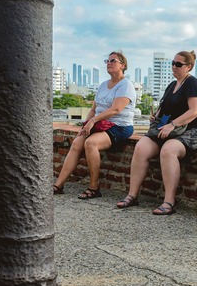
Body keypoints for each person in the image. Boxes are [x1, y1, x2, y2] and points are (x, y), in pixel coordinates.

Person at [116, 51, 197, 215]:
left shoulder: (192, 83)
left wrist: (172, 124)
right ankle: (132, 195)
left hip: (192, 130)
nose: (174, 67)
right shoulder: (172, 85)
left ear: (189, 67)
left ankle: (168, 201)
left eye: (178, 64)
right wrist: (157, 117)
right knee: (141, 147)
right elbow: (164, 108)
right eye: (173, 63)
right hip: (170, 130)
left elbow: (195, 110)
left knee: (168, 150)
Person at [53, 51, 136, 199]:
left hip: (119, 125)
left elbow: (116, 109)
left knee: (91, 143)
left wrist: (93, 121)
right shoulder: (103, 85)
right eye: (107, 61)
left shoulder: (126, 85)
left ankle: (93, 187)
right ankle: (58, 185)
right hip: (100, 124)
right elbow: (93, 109)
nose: (109, 63)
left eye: (113, 61)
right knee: (77, 143)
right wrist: (85, 125)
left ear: (123, 65)